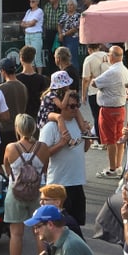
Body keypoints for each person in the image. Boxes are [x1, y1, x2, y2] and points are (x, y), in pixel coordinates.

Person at [0, 113, 47, 255]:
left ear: (17, 129)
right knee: (40, 233)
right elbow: (45, 170)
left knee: (16, 234)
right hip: (37, 192)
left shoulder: (11, 148)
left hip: (16, 193)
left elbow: (6, 168)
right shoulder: (43, 147)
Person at [38, 89, 89, 225]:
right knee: (54, 226)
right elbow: (42, 154)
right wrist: (61, 144)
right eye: (72, 106)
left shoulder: (78, 123)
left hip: (77, 181)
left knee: (75, 225)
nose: (75, 109)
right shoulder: (51, 127)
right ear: (62, 106)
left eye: (77, 106)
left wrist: (87, 135)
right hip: (58, 182)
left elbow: (84, 149)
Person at [92, 45, 128, 178]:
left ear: (112, 56)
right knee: (119, 138)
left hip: (109, 109)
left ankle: (112, 168)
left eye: (108, 54)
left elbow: (95, 83)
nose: (107, 56)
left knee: (110, 140)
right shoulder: (124, 69)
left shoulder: (112, 71)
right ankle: (117, 166)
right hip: (120, 107)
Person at [81, 43, 109, 144]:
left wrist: (83, 94)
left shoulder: (89, 59)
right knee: (107, 116)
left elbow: (85, 79)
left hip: (94, 92)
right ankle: (108, 139)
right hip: (108, 91)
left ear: (89, 49)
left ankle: (100, 140)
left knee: (97, 116)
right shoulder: (108, 56)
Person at [17, 45, 49, 119]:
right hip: (36, 114)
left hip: (21, 115)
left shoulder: (17, 78)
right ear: (33, 58)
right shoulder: (41, 79)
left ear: (21, 58)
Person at [20, 0, 45, 72]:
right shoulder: (28, 11)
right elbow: (22, 23)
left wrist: (27, 24)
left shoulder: (39, 11)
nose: (31, 3)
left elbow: (32, 23)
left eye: (33, 1)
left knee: (37, 56)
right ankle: (32, 74)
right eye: (30, 1)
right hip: (28, 35)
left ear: (37, 2)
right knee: (29, 57)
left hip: (36, 35)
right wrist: (28, 24)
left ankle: (39, 75)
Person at [43, 0, 64, 72]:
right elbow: (44, 19)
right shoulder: (47, 6)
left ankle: (61, 69)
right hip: (49, 32)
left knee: (60, 52)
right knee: (50, 52)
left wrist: (61, 33)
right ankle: (51, 71)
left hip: (60, 32)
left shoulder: (64, 6)